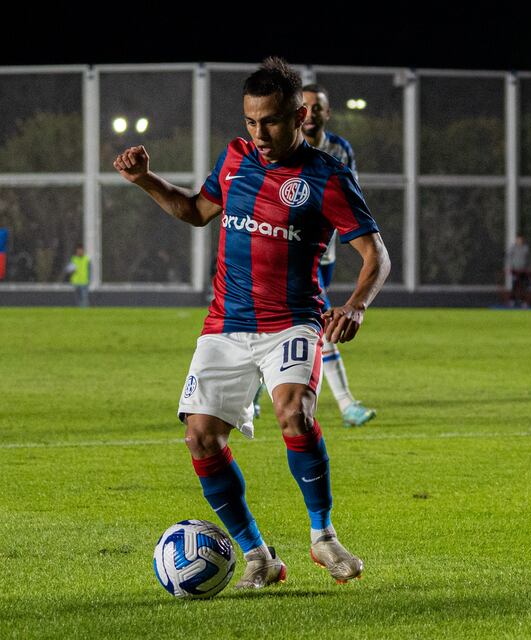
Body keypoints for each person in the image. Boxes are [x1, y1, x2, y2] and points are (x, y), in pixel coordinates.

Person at [112, 57, 390, 590]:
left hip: (292, 321)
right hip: (226, 323)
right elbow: (195, 211)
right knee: (200, 438)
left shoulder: (327, 177)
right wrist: (145, 179)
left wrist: (356, 305)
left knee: (294, 413)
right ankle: (258, 556)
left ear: (299, 116)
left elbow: (376, 255)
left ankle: (323, 536)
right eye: (251, 122)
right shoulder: (235, 158)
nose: (260, 134)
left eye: (271, 121)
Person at [294, 82, 378, 428]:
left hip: (325, 254)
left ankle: (253, 395)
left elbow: (350, 197)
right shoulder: (287, 148)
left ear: (327, 113)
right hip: (296, 252)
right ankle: (346, 404)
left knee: (294, 324)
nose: (311, 114)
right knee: (319, 321)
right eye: (306, 107)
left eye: (318, 107)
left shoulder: (340, 150)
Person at [505, 234, 531, 307]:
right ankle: (512, 300)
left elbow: (529, 258)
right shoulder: (513, 248)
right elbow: (508, 258)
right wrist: (508, 267)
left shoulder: (526, 248)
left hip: (523, 270)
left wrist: (530, 267)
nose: (519, 241)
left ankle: (523, 301)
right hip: (515, 270)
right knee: (515, 285)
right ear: (516, 240)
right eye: (518, 240)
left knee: (523, 286)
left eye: (521, 240)